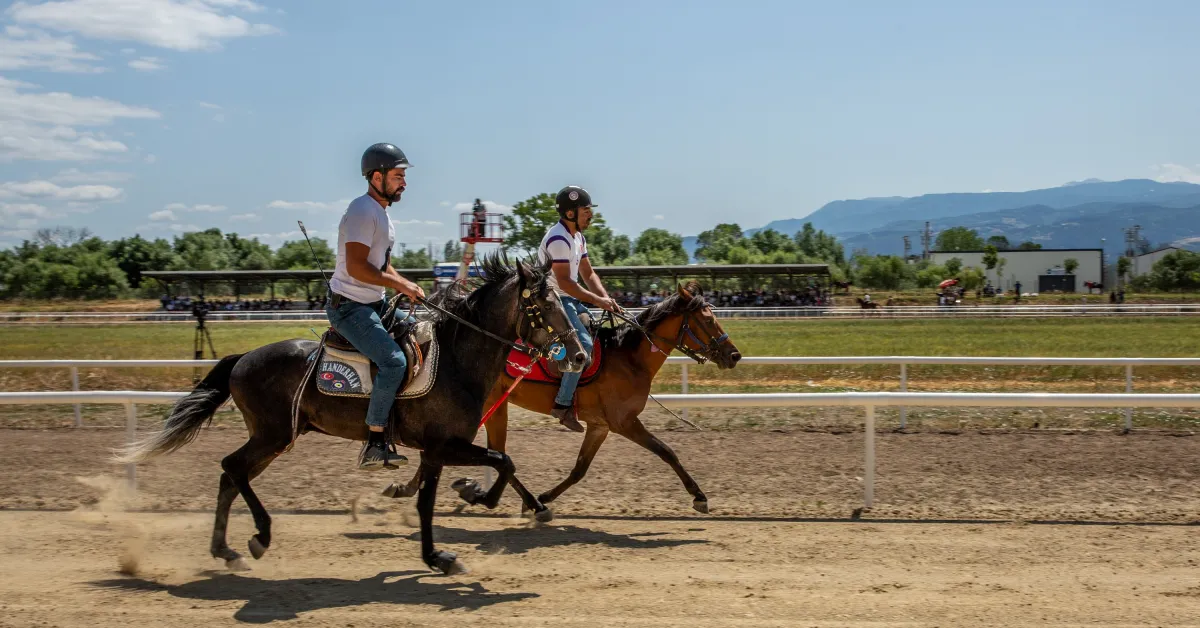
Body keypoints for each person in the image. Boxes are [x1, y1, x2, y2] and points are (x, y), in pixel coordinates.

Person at [325, 142, 426, 470]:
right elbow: (356, 267)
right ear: (377, 176)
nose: (404, 183)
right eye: (398, 176)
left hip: (374, 303)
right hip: (350, 308)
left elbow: (381, 265)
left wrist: (407, 286)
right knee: (394, 362)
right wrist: (400, 285)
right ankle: (374, 441)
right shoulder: (360, 211)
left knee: (423, 332)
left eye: (403, 177)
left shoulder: (381, 215)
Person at [537, 185, 619, 432]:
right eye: (586, 211)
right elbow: (564, 282)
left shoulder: (578, 237)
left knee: (596, 335)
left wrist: (606, 299)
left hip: (567, 298)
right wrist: (597, 301)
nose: (590, 215)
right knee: (581, 348)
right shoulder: (559, 239)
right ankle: (562, 405)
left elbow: (588, 272)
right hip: (552, 300)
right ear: (570, 213)